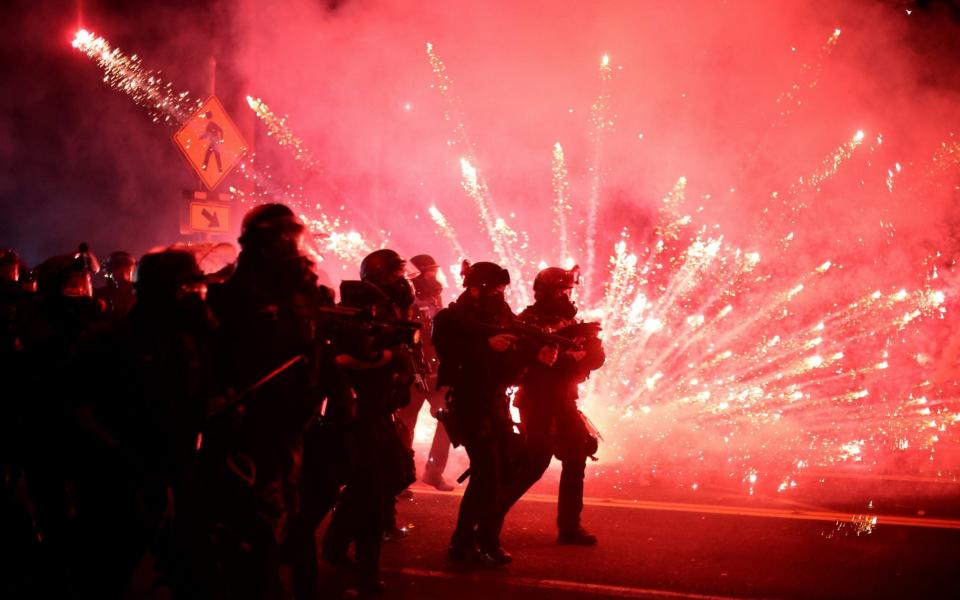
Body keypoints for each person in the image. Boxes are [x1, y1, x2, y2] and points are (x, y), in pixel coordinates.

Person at [207, 203, 329, 599]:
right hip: (251, 426)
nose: (293, 247)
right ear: (261, 244)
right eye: (284, 239)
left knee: (291, 517)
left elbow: (315, 351)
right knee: (256, 524)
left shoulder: (304, 291)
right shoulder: (233, 294)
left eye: (295, 238)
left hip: (293, 425)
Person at [432, 261, 555, 566]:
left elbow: (515, 344)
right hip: (469, 402)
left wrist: (535, 355)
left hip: (494, 401)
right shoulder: (451, 318)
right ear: (475, 289)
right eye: (495, 289)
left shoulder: (497, 314)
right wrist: (486, 346)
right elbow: (450, 355)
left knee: (503, 470)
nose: (500, 294)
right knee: (487, 473)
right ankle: (469, 541)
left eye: (502, 289)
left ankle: (478, 539)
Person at [321, 249, 417, 594]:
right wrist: (385, 358)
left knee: (396, 476)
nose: (401, 280)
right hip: (357, 416)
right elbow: (342, 359)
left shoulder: (389, 312)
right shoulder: (350, 314)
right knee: (372, 493)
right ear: (376, 278)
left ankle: (336, 541)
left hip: (380, 413)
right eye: (393, 274)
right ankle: (365, 567)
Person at [495, 266, 605, 546]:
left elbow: (596, 358)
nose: (565, 296)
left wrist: (584, 353)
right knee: (536, 461)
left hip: (564, 399)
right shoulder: (526, 322)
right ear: (544, 292)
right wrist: (561, 359)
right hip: (537, 399)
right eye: (559, 291)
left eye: (567, 291)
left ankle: (569, 527)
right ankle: (489, 517)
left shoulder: (573, 323)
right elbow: (516, 364)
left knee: (576, 456)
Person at [398, 254, 455, 491]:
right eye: (429, 272)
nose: (435, 277)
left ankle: (433, 472)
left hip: (435, 371)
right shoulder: (405, 302)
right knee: (404, 424)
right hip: (413, 372)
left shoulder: (435, 298)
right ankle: (400, 476)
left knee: (448, 419)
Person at [94, 250, 137, 317]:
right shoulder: (100, 295)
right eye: (118, 270)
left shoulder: (142, 293)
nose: (124, 275)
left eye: (127, 270)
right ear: (110, 272)